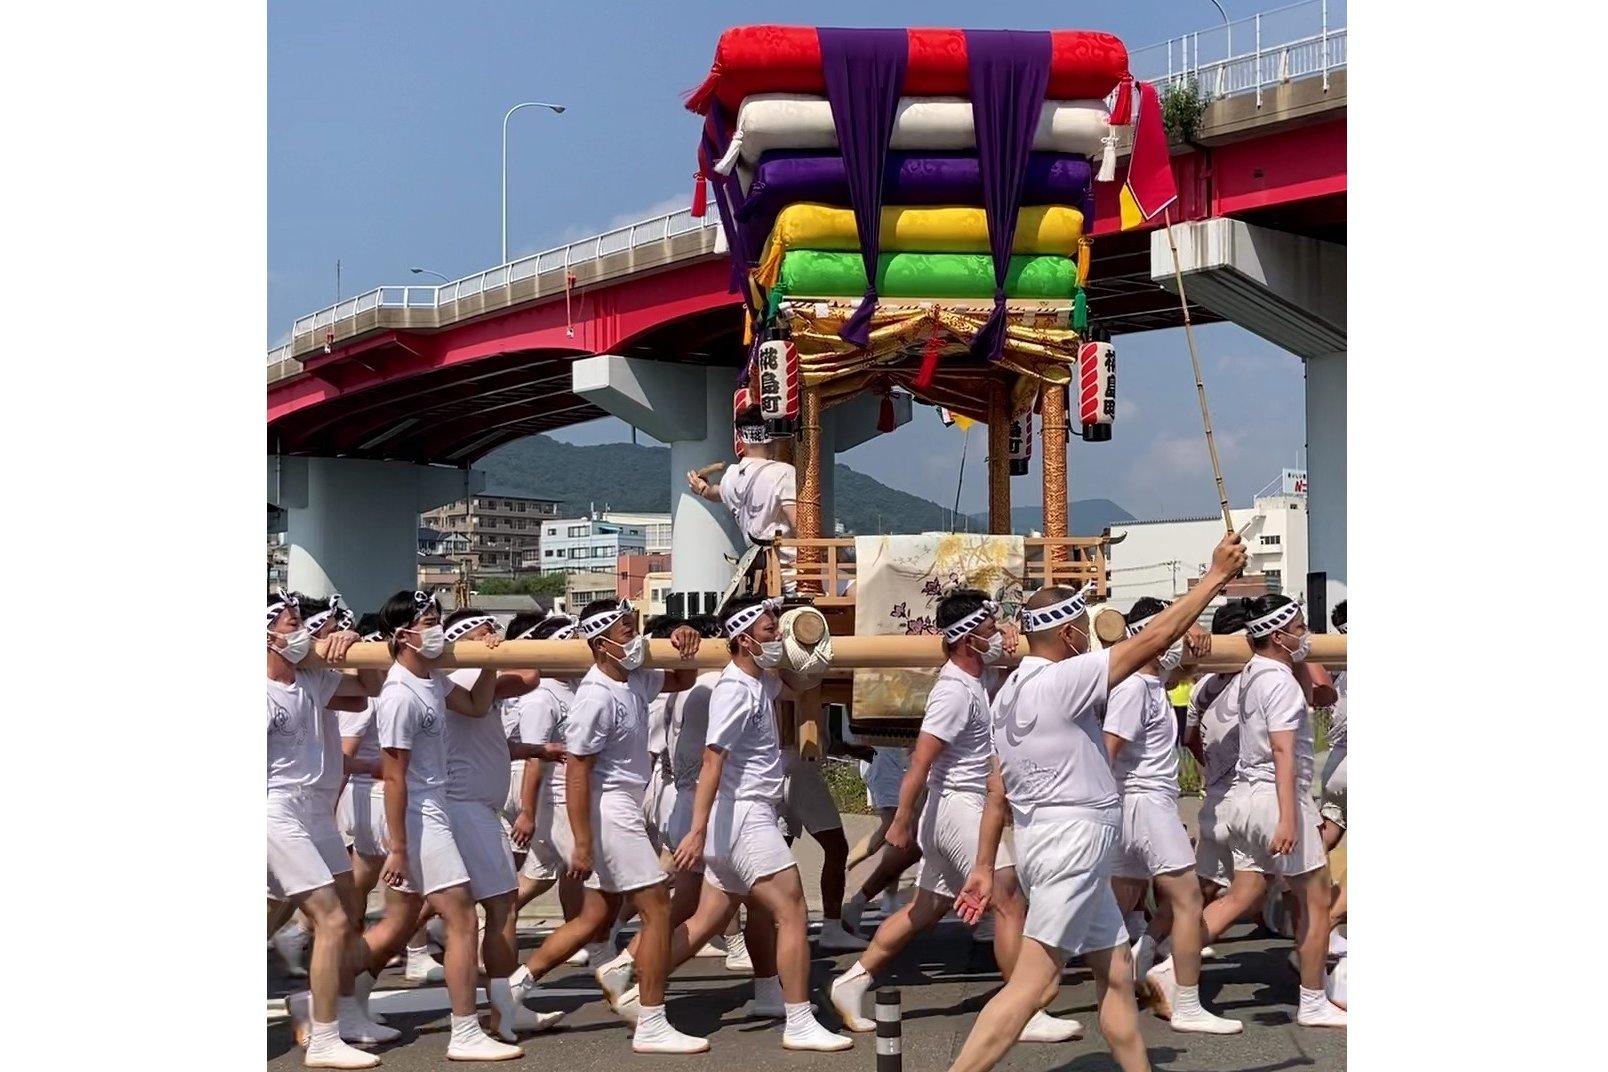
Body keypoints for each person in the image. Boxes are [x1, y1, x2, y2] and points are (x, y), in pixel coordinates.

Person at [940, 529, 1247, 1072]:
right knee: (1034, 984)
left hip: (1050, 842)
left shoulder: (1007, 692)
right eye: (1081, 626)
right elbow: (1153, 641)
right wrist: (1216, 577)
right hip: (1073, 843)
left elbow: (996, 791)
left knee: (1117, 975)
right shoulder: (1062, 680)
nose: (1088, 635)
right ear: (1067, 631)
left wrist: (985, 865)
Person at [831, 590, 1082, 1044]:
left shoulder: (974, 677)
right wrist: (901, 821)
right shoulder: (952, 690)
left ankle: (851, 982)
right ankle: (1022, 1009)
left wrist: (1005, 634)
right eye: (987, 630)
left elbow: (1007, 670)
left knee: (925, 908)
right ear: (967, 641)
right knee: (1008, 897)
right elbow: (920, 762)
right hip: (957, 807)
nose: (996, 636)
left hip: (954, 809)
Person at [615, 596, 853, 1051]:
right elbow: (712, 759)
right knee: (792, 912)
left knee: (705, 921)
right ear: (743, 639)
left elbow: (800, 678)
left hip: (740, 817)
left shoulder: (757, 680)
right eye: (768, 631)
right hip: (743, 816)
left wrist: (806, 635)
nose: (776, 637)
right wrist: (698, 830)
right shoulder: (733, 690)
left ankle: (641, 1002)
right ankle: (799, 1019)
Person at [504, 598, 711, 1054]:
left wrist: (683, 641)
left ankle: (509, 995)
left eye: (635, 627)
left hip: (623, 805)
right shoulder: (595, 697)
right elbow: (577, 771)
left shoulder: (634, 677)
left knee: (595, 917)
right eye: (624, 631)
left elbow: (679, 677)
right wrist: (581, 842)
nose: (634, 637)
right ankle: (652, 1021)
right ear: (600, 644)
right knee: (657, 908)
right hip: (608, 809)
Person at [374, 589, 524, 1061]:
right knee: (459, 917)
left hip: (434, 806)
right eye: (426, 620)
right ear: (403, 636)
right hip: (417, 811)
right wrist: (398, 848)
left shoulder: (432, 680)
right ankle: (464, 1031)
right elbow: (393, 774)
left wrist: (490, 661)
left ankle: (327, 994)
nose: (435, 626)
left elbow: (478, 706)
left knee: (404, 922)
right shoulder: (398, 693)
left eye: (436, 616)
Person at [1198, 594, 1347, 1029]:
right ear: (1279, 635)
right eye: (1300, 628)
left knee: (1241, 897)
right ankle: (1314, 1000)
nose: (1307, 636)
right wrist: (1289, 816)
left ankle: (1170, 969)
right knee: (1317, 903)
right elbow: (1283, 749)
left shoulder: (1249, 674)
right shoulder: (1279, 680)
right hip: (1277, 799)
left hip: (1245, 797)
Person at [1102, 598, 1241, 1034]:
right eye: (1173, 633)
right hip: (1145, 803)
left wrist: (1190, 640)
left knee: (1118, 905)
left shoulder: (1150, 681)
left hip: (1137, 804)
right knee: (1188, 901)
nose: (1181, 639)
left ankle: (1130, 973)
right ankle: (1186, 1004)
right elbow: (1108, 751)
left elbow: (1177, 671)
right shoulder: (1131, 690)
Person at [266, 590, 390, 1068]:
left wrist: (355, 644)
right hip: (275, 810)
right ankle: (323, 1038)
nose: (301, 631)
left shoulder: (307, 680)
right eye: (290, 622)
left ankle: (334, 1009)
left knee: (346, 911)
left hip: (316, 812)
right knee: (332, 920)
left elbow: (370, 688)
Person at [436, 608, 566, 1043]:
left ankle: (504, 1008)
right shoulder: (455, 676)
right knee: (497, 907)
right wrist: (488, 654)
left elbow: (524, 680)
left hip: (476, 807)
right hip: (463, 806)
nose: (494, 633)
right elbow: (523, 679)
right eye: (485, 627)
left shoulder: (478, 675)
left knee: (487, 907)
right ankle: (496, 1013)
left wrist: (534, 749)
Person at [841, 745, 922, 936]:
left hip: (903, 765)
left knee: (901, 836)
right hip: (889, 766)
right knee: (896, 832)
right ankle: (846, 875)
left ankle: (886, 897)